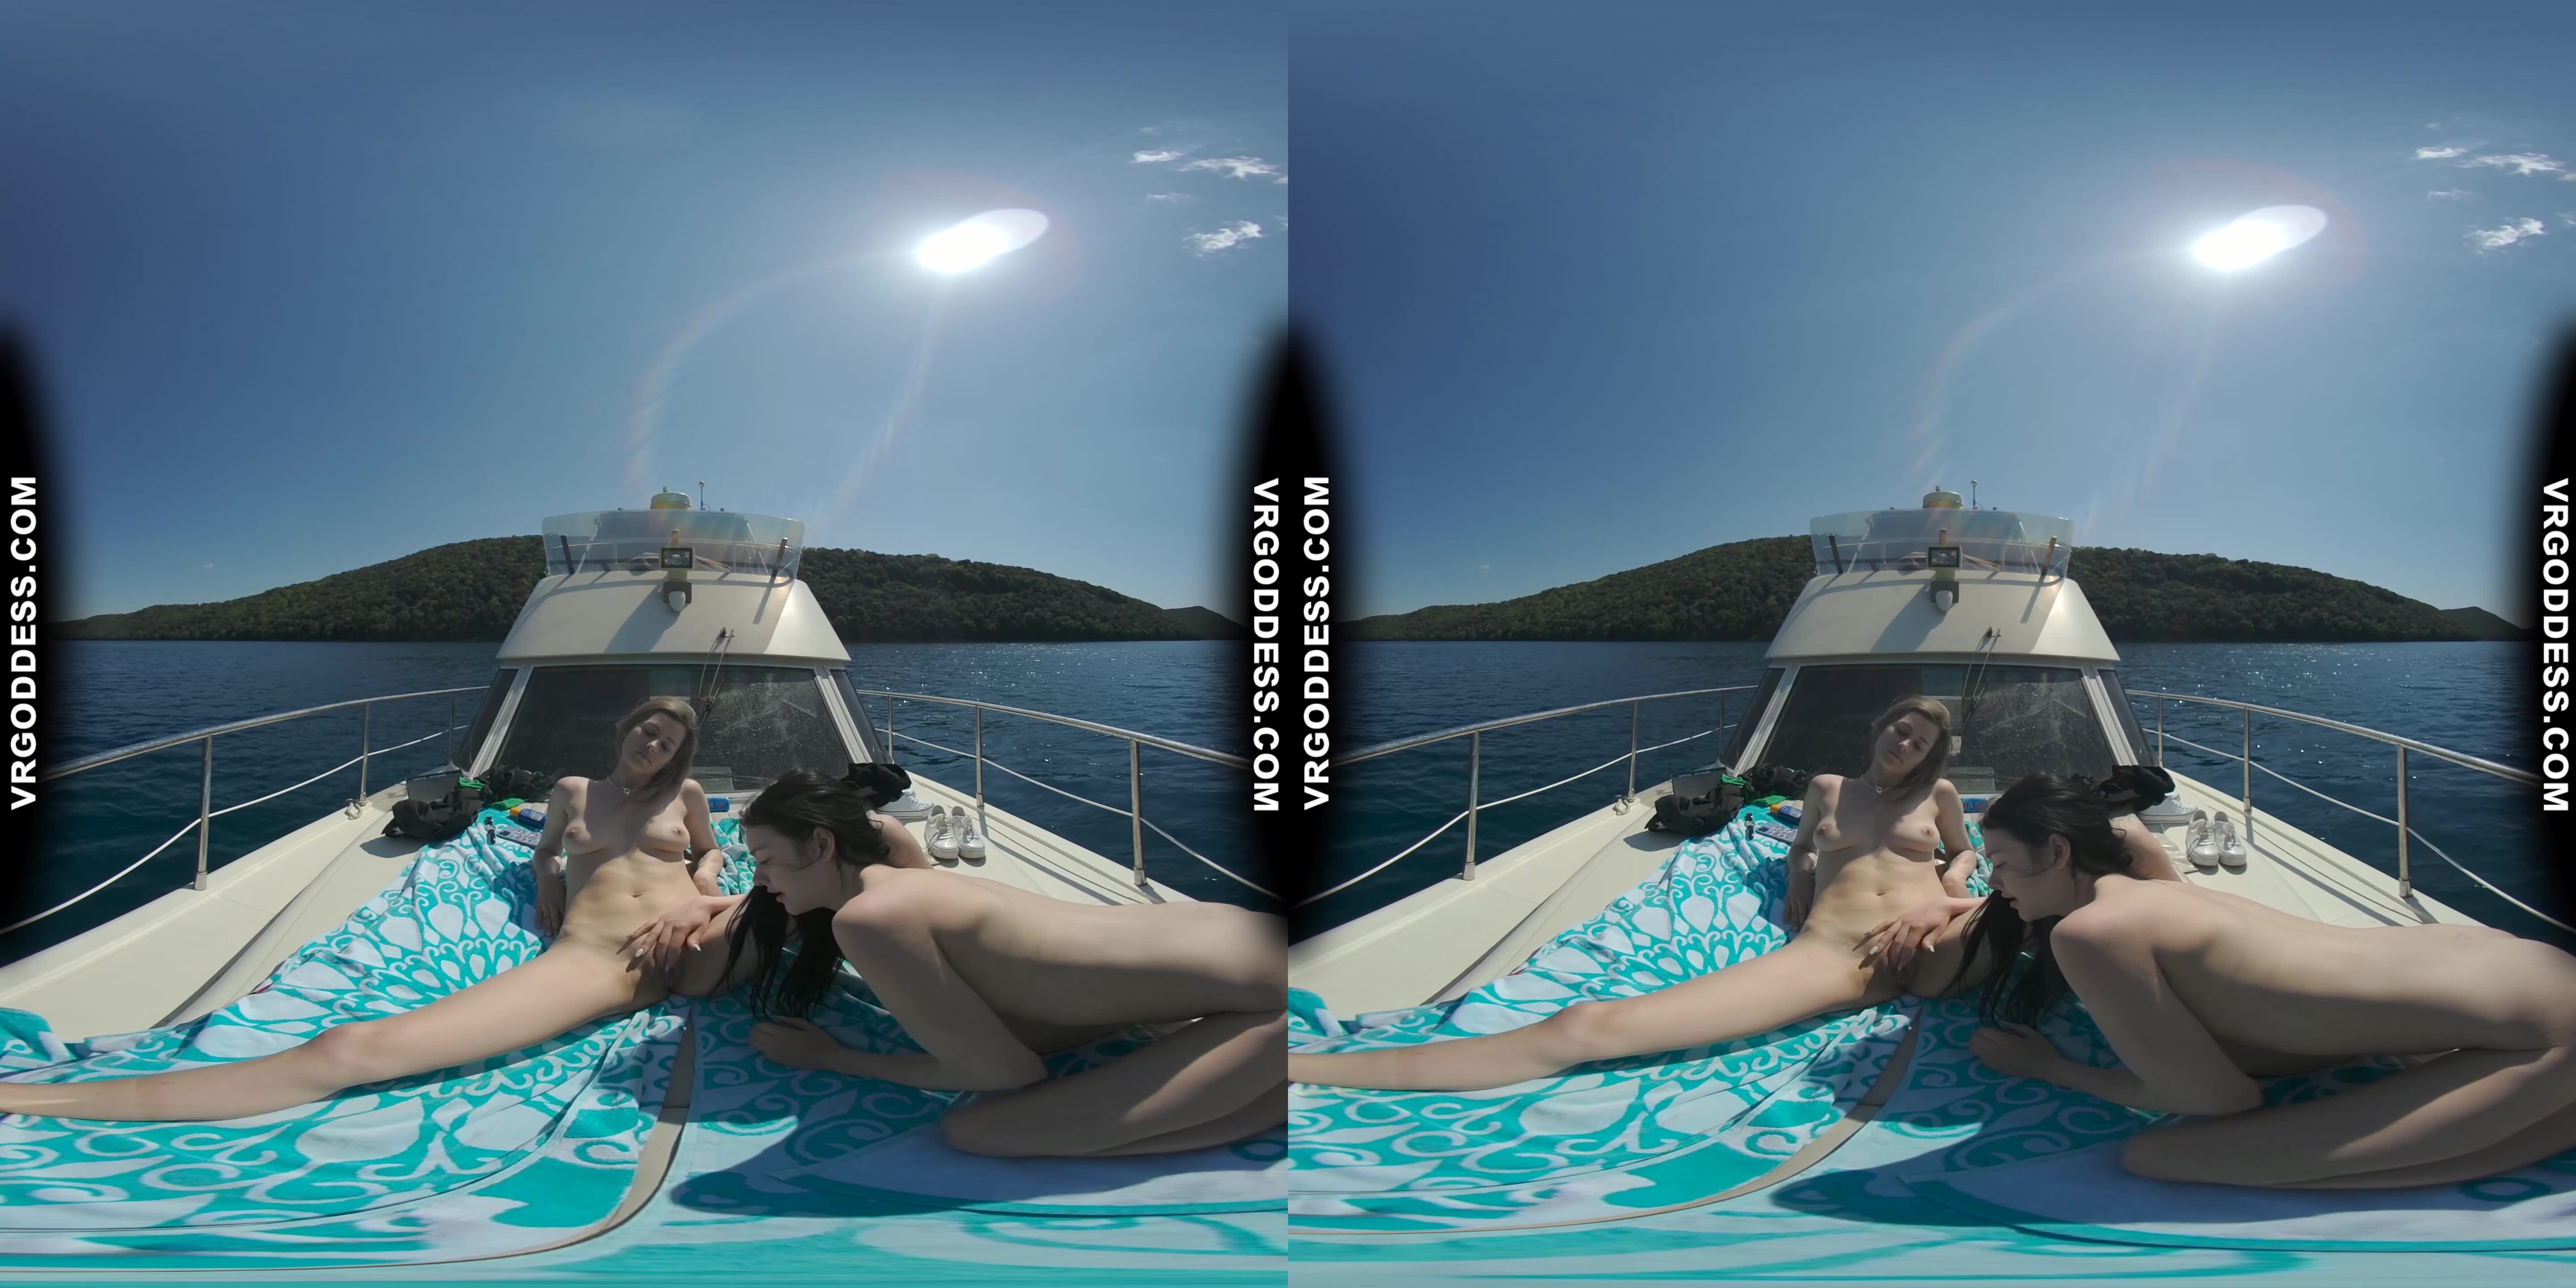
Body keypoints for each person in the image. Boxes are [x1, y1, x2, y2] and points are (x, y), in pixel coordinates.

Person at [0, 696, 831, 1123]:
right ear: (627, 732)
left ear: (681, 757)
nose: (655, 747)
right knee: (351, 1048)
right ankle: (40, 1102)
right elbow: (549, 851)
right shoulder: (573, 792)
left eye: (670, 743)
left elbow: (711, 851)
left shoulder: (687, 797)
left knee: (837, 879)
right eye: (648, 733)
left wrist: (708, 889)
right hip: (602, 960)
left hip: (707, 931)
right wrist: (547, 876)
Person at [1293, 695, 2037, 1093]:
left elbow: (1969, 851)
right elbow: (1804, 846)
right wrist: (1799, 875)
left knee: (2059, 904)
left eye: (1919, 743)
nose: (1905, 745)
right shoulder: (1827, 788)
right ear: (1881, 729)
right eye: (1900, 731)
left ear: (1931, 758)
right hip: (1839, 958)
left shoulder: (1938, 797)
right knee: (1585, 1027)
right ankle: (1308, 1070)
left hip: (1941, 933)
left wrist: (1950, 888)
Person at [625, 769, 1285, 1157]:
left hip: (1259, 1006)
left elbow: (1005, 1073)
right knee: (1019, 1025)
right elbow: (871, 836)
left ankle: (1261, 1104)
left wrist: (833, 1058)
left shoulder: (867, 919)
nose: (762, 881)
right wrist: (713, 901)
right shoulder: (897, 875)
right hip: (1232, 931)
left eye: (767, 862)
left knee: (978, 1131)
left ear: (823, 845)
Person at [1963, 773, 2576, 1188]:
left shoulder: (2089, 933)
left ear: (2059, 853)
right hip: (2526, 967)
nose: (1993, 882)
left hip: (2548, 1034)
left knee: (2157, 1156)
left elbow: (2220, 1099)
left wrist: (2051, 1068)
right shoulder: (2153, 889)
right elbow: (2132, 838)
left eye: (2002, 863)